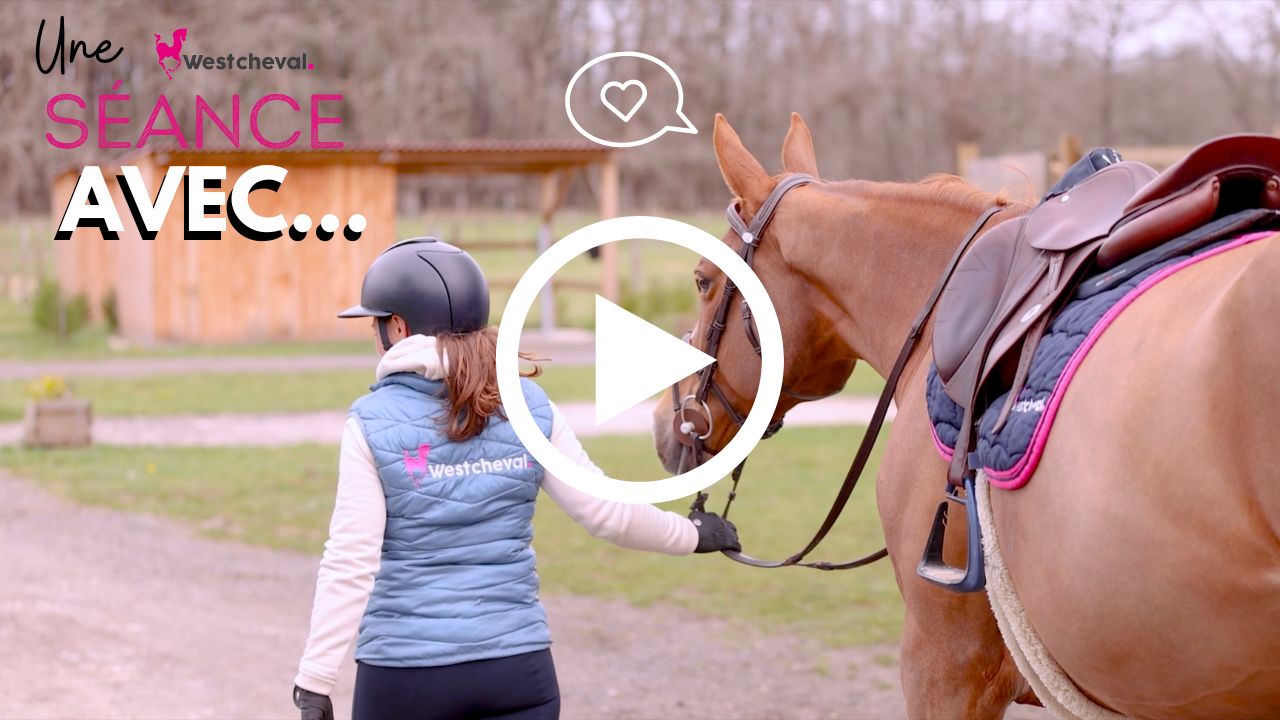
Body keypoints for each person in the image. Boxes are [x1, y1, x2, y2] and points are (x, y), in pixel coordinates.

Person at [292, 237, 741, 720]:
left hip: (407, 676)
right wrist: (694, 535)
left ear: (398, 326)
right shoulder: (529, 406)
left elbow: (350, 560)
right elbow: (606, 513)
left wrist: (315, 680)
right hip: (518, 671)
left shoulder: (371, 421)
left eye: (376, 323)